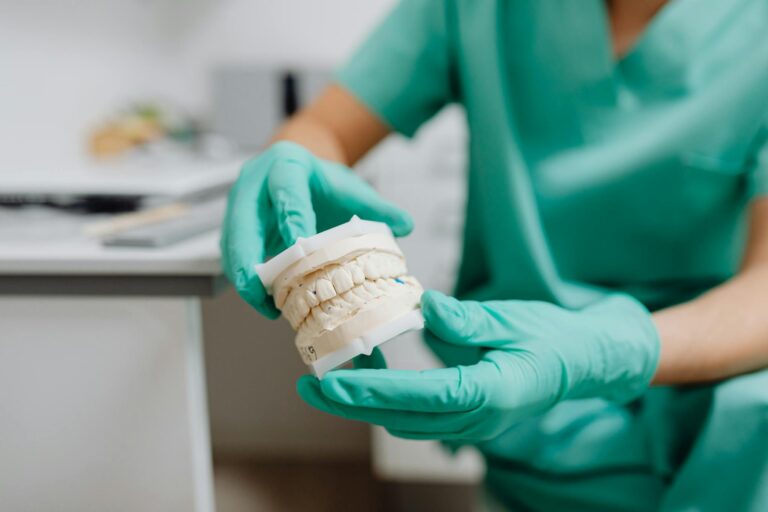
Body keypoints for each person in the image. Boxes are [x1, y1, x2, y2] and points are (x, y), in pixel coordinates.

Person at [221, 1, 768, 510]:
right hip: (529, 435)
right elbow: (325, 128)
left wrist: (610, 349)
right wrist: (291, 158)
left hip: (721, 437)